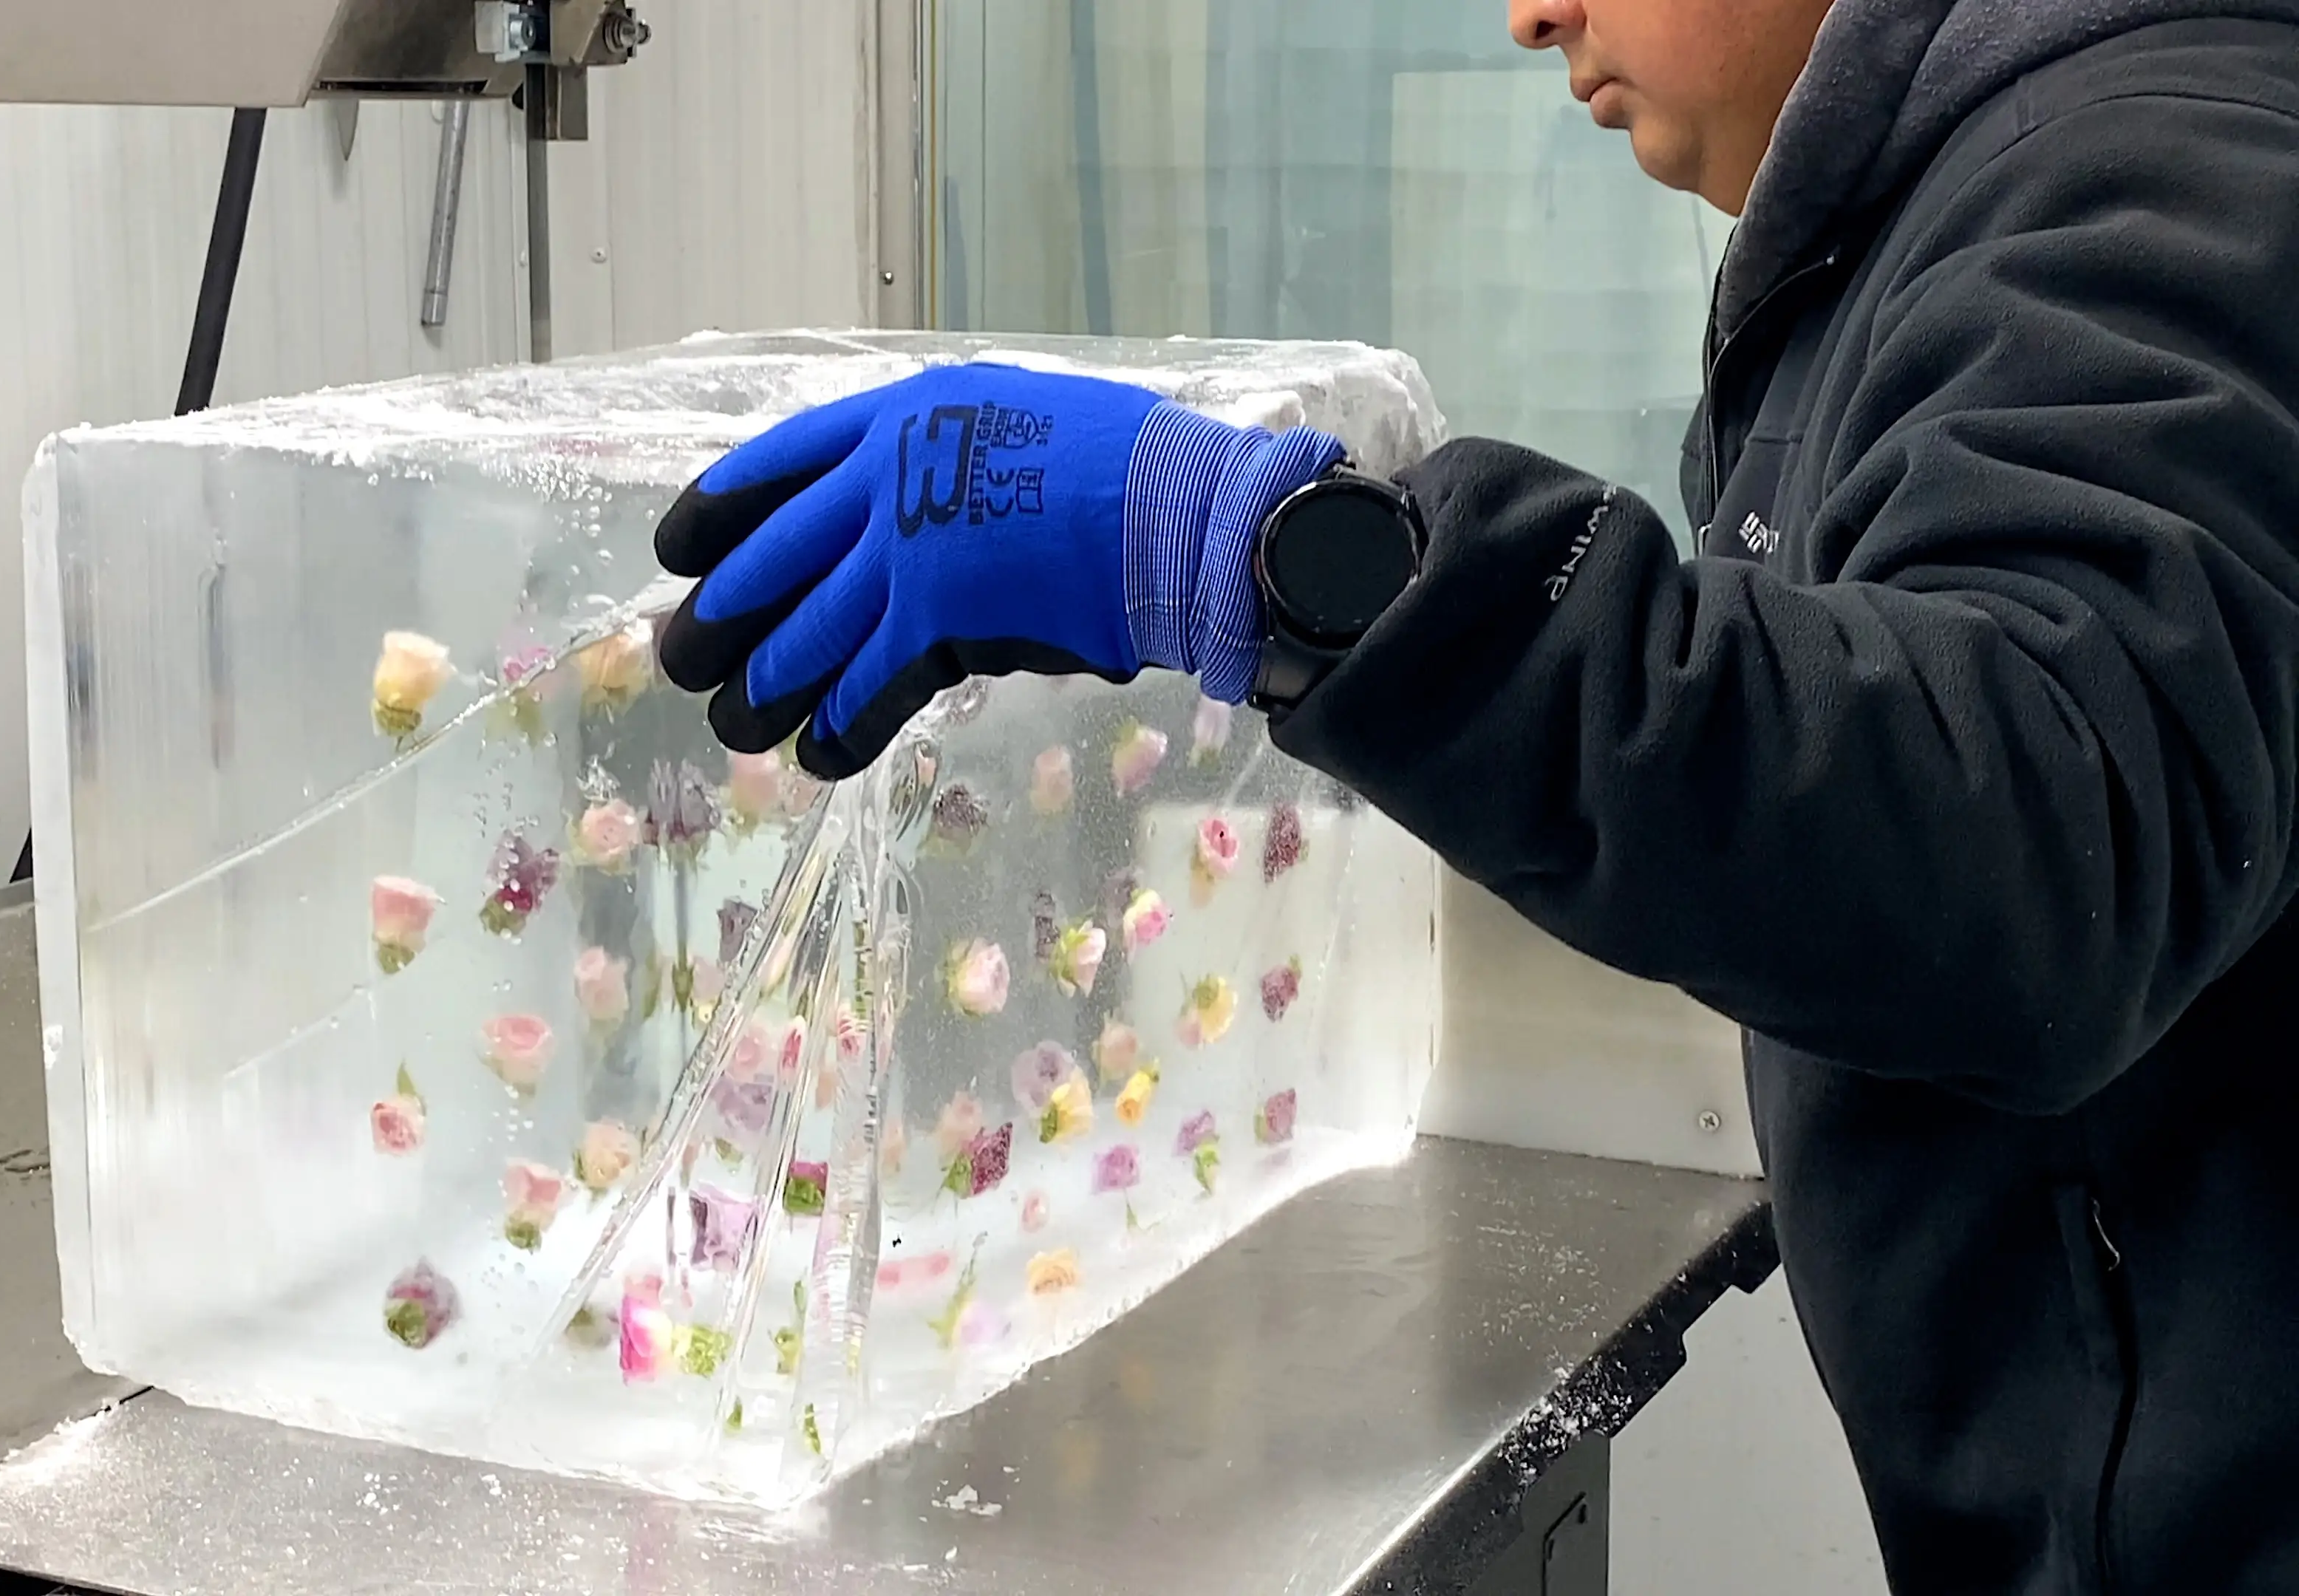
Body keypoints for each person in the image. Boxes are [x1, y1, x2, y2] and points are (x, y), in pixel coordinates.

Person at [652, 0, 2299, 1591]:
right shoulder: (1932, 217)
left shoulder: (2152, 178)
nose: (1530, 16)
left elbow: (2028, 841)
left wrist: (1276, 561)